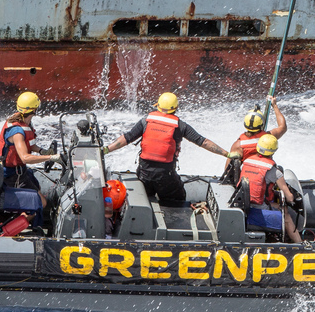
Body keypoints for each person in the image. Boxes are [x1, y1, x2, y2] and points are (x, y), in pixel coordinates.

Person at [103, 92, 234, 206]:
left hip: (144, 173)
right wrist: (226, 154)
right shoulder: (181, 126)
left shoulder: (146, 121)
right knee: (179, 197)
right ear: (175, 108)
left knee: (146, 195)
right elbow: (202, 141)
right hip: (165, 176)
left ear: (158, 106)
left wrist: (106, 150)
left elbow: (127, 138)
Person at [0, 91, 59, 206]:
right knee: (41, 203)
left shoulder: (25, 123)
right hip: (12, 176)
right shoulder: (17, 132)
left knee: (37, 187)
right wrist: (50, 157)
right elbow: (25, 158)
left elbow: (29, 144)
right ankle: (24, 221)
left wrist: (42, 151)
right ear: (34, 110)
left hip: (21, 171)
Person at [240, 134, 302, 243]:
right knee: (285, 213)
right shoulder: (274, 172)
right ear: (273, 151)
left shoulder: (246, 162)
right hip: (258, 207)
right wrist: (292, 199)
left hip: (244, 204)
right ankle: (299, 243)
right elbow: (289, 196)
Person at [229, 95, 288, 161]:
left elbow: (228, 169)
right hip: (265, 170)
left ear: (245, 124)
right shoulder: (268, 137)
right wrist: (274, 105)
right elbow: (283, 127)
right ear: (261, 124)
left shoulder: (237, 145)